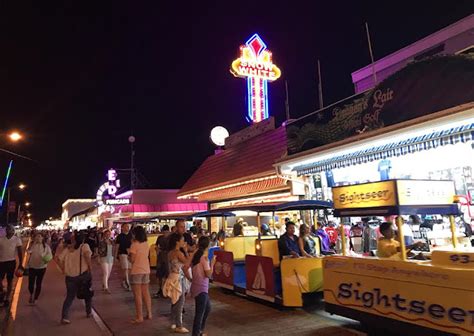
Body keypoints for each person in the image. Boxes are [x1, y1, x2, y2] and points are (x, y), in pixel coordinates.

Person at [57, 231, 93, 324]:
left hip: (70, 277)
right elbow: (87, 257)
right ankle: (88, 312)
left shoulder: (68, 249)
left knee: (69, 297)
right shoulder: (84, 246)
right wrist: (90, 269)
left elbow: (58, 258)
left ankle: (64, 317)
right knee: (87, 294)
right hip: (83, 275)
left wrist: (63, 269)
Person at [163, 233, 192, 334]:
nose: (184, 242)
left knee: (174, 302)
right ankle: (179, 325)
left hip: (172, 277)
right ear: (177, 242)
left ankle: (173, 322)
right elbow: (187, 263)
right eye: (182, 240)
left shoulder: (170, 253)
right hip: (179, 279)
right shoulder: (178, 253)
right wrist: (186, 251)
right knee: (180, 302)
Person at [191, 236, 216, 336]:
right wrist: (212, 264)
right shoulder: (204, 259)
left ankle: (199, 331)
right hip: (202, 288)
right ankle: (196, 333)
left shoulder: (197, 256)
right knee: (200, 313)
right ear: (208, 246)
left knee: (207, 308)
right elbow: (209, 274)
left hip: (198, 287)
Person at [129, 226, 152, 323]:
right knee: (146, 293)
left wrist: (129, 256)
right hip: (146, 269)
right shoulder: (146, 244)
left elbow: (132, 259)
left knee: (137, 295)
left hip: (137, 270)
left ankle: (139, 316)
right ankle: (149, 313)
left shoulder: (134, 245)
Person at [0, 225, 24, 307]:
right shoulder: (1, 239)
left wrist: (21, 264)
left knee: (10, 280)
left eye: (10, 229)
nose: (9, 230)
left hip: (11, 262)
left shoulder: (17, 240)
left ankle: (7, 298)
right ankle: (3, 291)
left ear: (13, 230)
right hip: (1, 263)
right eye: (7, 229)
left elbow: (20, 252)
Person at [26, 232, 52, 305]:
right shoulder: (33, 245)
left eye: (40, 236)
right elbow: (28, 251)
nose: (38, 238)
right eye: (37, 236)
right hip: (32, 267)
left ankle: (36, 298)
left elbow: (50, 255)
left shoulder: (46, 246)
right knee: (30, 283)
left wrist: (46, 259)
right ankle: (31, 294)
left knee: (38, 283)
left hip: (42, 268)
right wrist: (31, 245)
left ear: (42, 238)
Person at [154, 224, 171, 298]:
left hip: (167, 258)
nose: (165, 233)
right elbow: (156, 246)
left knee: (168, 274)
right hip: (161, 257)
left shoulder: (171, 238)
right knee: (160, 275)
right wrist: (157, 250)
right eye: (164, 232)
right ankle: (161, 289)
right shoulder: (160, 238)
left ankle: (167, 290)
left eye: (166, 232)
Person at [115, 224, 132, 291]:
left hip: (130, 254)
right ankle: (128, 283)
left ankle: (124, 280)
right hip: (122, 254)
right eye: (125, 227)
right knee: (125, 269)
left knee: (129, 269)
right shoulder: (119, 236)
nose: (127, 228)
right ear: (122, 228)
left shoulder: (131, 235)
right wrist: (115, 255)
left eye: (128, 227)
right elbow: (117, 246)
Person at [98, 229, 114, 293]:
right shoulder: (102, 242)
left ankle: (104, 284)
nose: (108, 235)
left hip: (110, 258)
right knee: (106, 273)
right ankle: (106, 288)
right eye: (106, 234)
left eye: (109, 234)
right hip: (104, 258)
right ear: (104, 235)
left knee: (108, 273)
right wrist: (99, 257)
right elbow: (99, 251)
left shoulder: (112, 241)